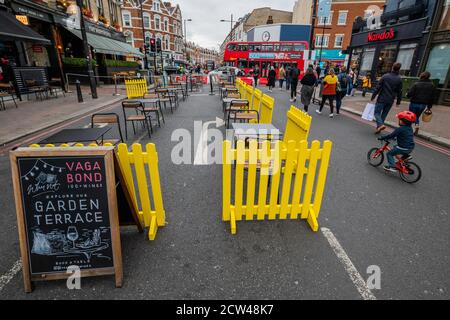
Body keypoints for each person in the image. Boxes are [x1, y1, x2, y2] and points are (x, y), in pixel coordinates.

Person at [371, 62, 403, 134]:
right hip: (390, 100)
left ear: (392, 67)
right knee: (384, 114)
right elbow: (400, 92)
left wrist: (373, 96)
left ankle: (380, 125)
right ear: (399, 69)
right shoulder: (399, 79)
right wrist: (398, 102)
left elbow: (378, 88)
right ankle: (378, 128)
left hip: (382, 98)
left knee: (376, 113)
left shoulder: (385, 76)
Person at [407, 71, 436, 135]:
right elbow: (432, 97)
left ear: (421, 76)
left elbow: (410, 94)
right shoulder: (432, 85)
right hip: (423, 104)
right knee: (416, 116)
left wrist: (407, 94)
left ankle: (410, 127)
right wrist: (429, 107)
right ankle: (415, 125)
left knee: (412, 116)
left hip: (414, 103)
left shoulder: (416, 84)